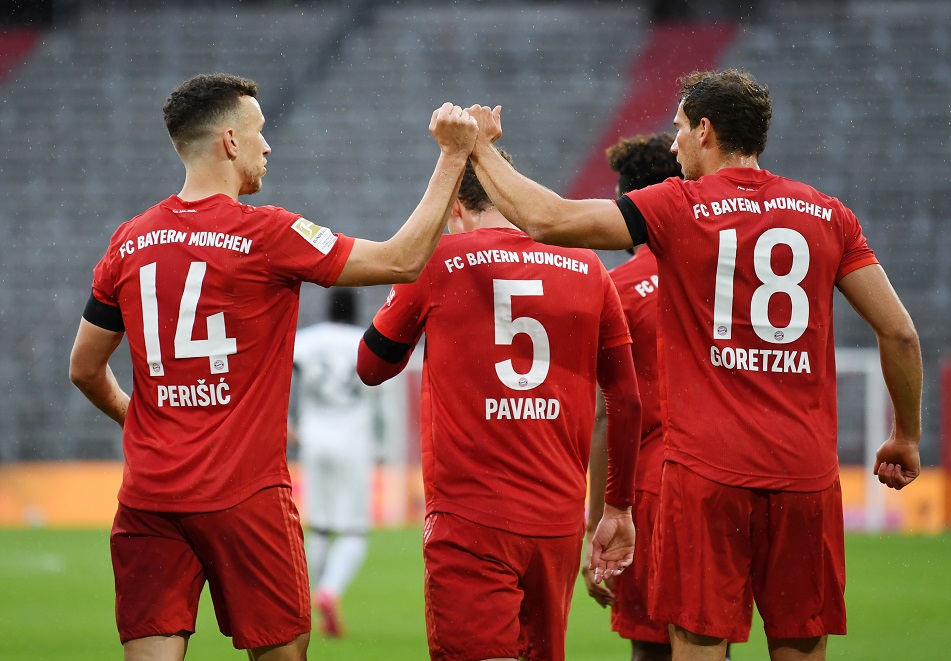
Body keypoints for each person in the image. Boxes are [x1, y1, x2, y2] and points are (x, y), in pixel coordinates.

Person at [462, 68, 923, 661]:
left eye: (679, 129)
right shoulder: (829, 215)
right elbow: (900, 332)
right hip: (805, 475)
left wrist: (480, 150)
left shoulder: (680, 207)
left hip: (707, 475)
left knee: (697, 646)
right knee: (800, 645)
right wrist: (906, 435)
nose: (672, 143)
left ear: (706, 131)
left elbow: (550, 219)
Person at [67, 72, 477, 661]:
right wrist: (452, 156)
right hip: (245, 495)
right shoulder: (269, 234)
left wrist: (142, 422)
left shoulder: (128, 242)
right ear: (230, 141)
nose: (268, 146)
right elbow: (401, 261)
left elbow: (84, 367)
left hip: (150, 497)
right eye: (259, 132)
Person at [355, 149, 642, 661]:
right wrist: (617, 506)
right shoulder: (587, 265)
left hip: (471, 517)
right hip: (556, 526)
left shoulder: (438, 262)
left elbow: (372, 367)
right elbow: (625, 399)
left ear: (453, 208)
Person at [583, 133, 690, 661]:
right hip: (726, 479)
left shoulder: (617, 288)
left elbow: (608, 414)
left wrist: (595, 522)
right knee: (710, 637)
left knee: (652, 649)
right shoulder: (721, 275)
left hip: (651, 486)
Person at [290, 288, 379, 638]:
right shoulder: (364, 341)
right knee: (355, 530)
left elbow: (279, 371)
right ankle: (329, 591)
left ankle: (302, 600)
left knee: (321, 526)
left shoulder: (307, 341)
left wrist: (286, 423)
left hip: (314, 440)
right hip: (354, 442)